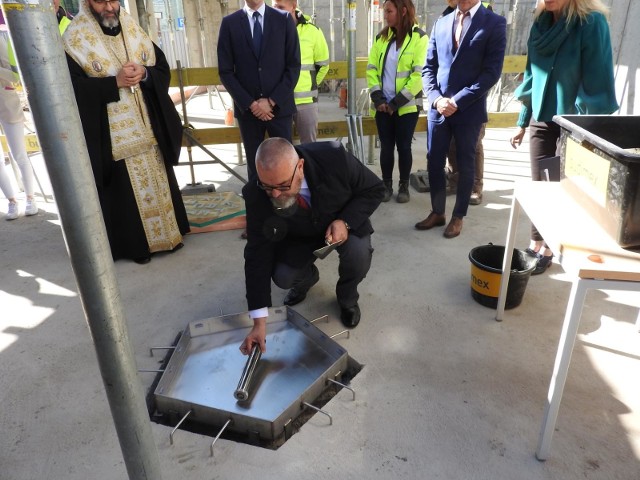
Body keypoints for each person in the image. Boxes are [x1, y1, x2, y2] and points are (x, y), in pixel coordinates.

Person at [63, 0, 190, 264]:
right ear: (88, 2)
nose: (109, 7)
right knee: (124, 194)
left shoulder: (133, 28)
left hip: (147, 129)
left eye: (113, 0)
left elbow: (161, 68)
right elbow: (69, 91)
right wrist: (114, 83)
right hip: (114, 138)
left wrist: (144, 74)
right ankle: (136, 248)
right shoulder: (75, 39)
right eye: (101, 1)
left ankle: (170, 234)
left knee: (158, 178)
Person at [239, 138, 385, 354]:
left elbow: (374, 189)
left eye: (282, 186)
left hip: (342, 220)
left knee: (358, 255)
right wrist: (259, 323)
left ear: (300, 167)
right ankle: (307, 280)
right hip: (298, 236)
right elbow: (256, 254)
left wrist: (345, 221)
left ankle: (347, 297)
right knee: (283, 277)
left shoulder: (334, 157)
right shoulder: (255, 192)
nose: (276, 195)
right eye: (268, 187)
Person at [509, 0, 618, 274]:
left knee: (560, 189)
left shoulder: (591, 23)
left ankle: (549, 247)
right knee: (540, 185)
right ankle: (535, 243)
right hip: (541, 118)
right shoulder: (541, 23)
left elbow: (598, 81)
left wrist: (581, 130)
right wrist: (522, 122)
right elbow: (533, 75)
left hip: (571, 124)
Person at [416, 0, 505, 238]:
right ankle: (437, 212)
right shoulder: (441, 23)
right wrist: (436, 99)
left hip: (468, 109)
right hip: (439, 109)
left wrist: (458, 101)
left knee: (465, 164)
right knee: (434, 161)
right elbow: (428, 68)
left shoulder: (494, 23)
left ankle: (458, 216)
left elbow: (491, 72)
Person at [217, 0, 300, 180]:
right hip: (248, 112)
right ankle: (257, 207)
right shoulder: (229, 23)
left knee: (287, 165)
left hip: (279, 109)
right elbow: (225, 71)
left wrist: (271, 101)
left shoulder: (283, 19)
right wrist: (250, 104)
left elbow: (293, 66)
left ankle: (288, 207)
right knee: (255, 169)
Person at [367, 0, 428, 204]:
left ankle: (403, 186)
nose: (385, 15)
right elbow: (372, 69)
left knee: (403, 147)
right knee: (385, 147)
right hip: (383, 106)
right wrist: (379, 99)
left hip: (407, 107)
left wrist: (396, 103)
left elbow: (418, 75)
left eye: (389, 11)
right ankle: (386, 185)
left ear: (403, 11)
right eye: (385, 11)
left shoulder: (420, 38)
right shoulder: (382, 38)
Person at [272, 0, 329, 144]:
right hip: (278, 101)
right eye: (274, 7)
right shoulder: (270, 30)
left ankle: (308, 168)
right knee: (281, 150)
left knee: (309, 148)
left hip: (305, 102)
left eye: (280, 7)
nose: (276, 10)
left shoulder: (313, 31)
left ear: (294, 6)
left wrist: (311, 85)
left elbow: (323, 65)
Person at [0, 18, 37, 220]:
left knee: (19, 154)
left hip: (7, 103)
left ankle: (30, 197)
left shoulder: (2, 37)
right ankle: (11, 201)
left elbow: (15, 76)